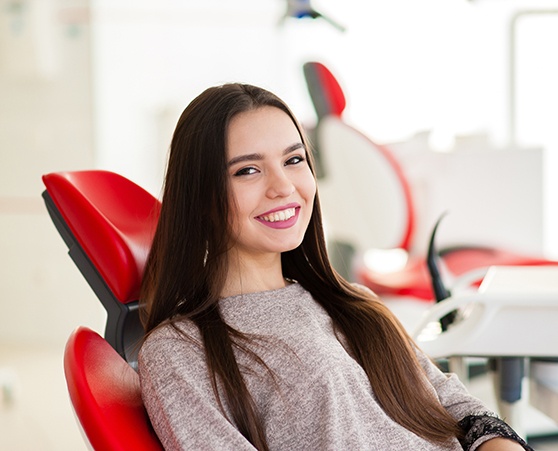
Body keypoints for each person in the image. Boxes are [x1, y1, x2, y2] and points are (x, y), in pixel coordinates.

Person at [138, 83, 532, 451]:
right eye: (248, 170)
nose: (283, 186)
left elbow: (453, 404)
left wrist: (500, 444)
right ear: (200, 196)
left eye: (294, 160)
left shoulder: (353, 302)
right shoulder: (179, 350)